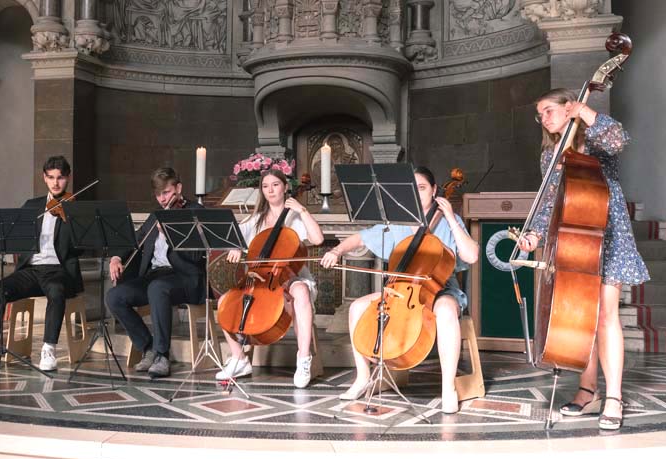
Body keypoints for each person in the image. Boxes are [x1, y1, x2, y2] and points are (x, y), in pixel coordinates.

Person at [517, 89, 649, 431]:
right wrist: (534, 236)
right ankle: (587, 392)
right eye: (540, 115)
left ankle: (615, 397)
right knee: (583, 318)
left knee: (606, 315)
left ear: (567, 108)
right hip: (573, 240)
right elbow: (549, 204)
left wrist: (586, 112)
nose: (543, 119)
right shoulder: (551, 156)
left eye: (548, 111)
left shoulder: (594, 139)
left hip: (608, 232)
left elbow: (619, 139)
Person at [320, 166, 479, 414]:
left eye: (423, 188)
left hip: (441, 290)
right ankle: (363, 376)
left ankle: (448, 387)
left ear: (435, 190)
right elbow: (361, 237)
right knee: (358, 307)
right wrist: (336, 251)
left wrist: (450, 217)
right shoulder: (399, 221)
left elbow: (471, 255)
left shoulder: (451, 221)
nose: (417, 194)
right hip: (403, 291)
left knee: (446, 311)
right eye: (411, 189)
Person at [0, 156, 84, 373]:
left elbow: (83, 246)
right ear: (44, 178)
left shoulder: (75, 208)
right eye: (51, 177)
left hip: (59, 271)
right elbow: (17, 238)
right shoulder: (32, 206)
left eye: (61, 178)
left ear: (68, 178)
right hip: (31, 270)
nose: (56, 183)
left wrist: (70, 221)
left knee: (56, 290)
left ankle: (48, 348)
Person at [215, 169, 325, 388]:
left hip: (290, 278)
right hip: (258, 280)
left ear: (285, 187)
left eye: (275, 184)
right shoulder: (255, 220)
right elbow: (230, 237)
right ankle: (239, 358)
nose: (270, 190)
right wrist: (235, 248)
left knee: (301, 291)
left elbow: (318, 239)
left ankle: (303, 359)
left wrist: (302, 210)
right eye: (265, 186)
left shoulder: (295, 217)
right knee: (223, 302)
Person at [106, 167, 205, 378]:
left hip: (185, 277)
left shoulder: (194, 212)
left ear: (178, 188)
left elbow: (196, 256)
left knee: (158, 288)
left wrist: (170, 233)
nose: (162, 199)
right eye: (159, 194)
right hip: (155, 276)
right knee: (115, 296)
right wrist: (116, 257)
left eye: (167, 192)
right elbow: (133, 240)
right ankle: (149, 347)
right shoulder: (154, 216)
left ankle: (162, 355)